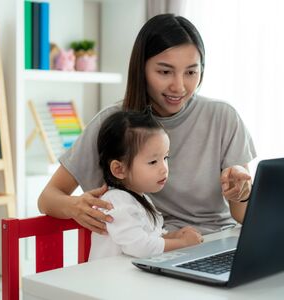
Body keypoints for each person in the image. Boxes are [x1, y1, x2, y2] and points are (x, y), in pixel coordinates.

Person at [38, 13, 257, 235]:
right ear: (141, 69)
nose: (179, 87)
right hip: (149, 247)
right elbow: (48, 197)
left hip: (218, 241)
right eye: (164, 72)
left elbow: (241, 214)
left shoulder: (223, 117)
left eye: (191, 72)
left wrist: (243, 193)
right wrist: (76, 207)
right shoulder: (113, 122)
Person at [89, 108, 202, 260]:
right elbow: (140, 246)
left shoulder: (140, 198)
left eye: (165, 158)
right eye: (153, 162)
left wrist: (174, 235)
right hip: (111, 280)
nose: (164, 169)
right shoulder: (115, 201)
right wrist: (182, 243)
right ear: (119, 169)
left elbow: (151, 237)